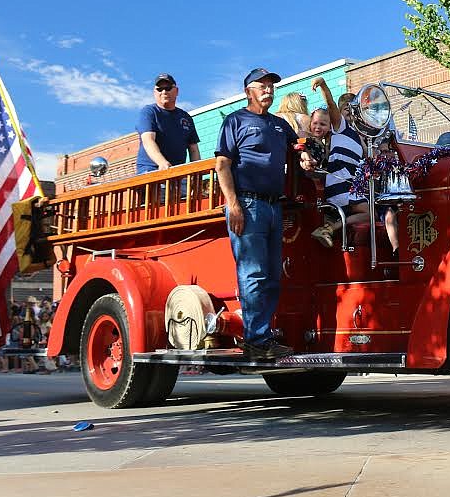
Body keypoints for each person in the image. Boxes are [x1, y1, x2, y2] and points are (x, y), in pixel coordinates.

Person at [214, 67, 301, 360]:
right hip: (248, 206)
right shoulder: (235, 121)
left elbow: (297, 144)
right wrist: (233, 204)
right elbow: (223, 166)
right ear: (247, 91)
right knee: (253, 274)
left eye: (271, 85)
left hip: (275, 206)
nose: (268, 89)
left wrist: (306, 152)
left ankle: (263, 336)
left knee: (273, 275)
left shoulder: (279, 125)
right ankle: (255, 341)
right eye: (261, 85)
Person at [308, 78, 369, 248]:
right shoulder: (341, 127)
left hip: (351, 185)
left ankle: (331, 227)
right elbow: (331, 104)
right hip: (340, 184)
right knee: (368, 213)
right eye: (346, 109)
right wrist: (324, 85)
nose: (350, 112)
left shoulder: (358, 137)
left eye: (354, 109)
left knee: (370, 214)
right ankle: (328, 228)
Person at [135, 73, 201, 174]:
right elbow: (148, 140)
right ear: (154, 92)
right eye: (160, 89)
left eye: (168, 88)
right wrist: (162, 163)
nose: (164, 92)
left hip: (178, 174)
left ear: (177, 91)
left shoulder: (185, 117)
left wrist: (196, 173)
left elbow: (193, 149)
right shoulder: (149, 112)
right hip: (152, 171)